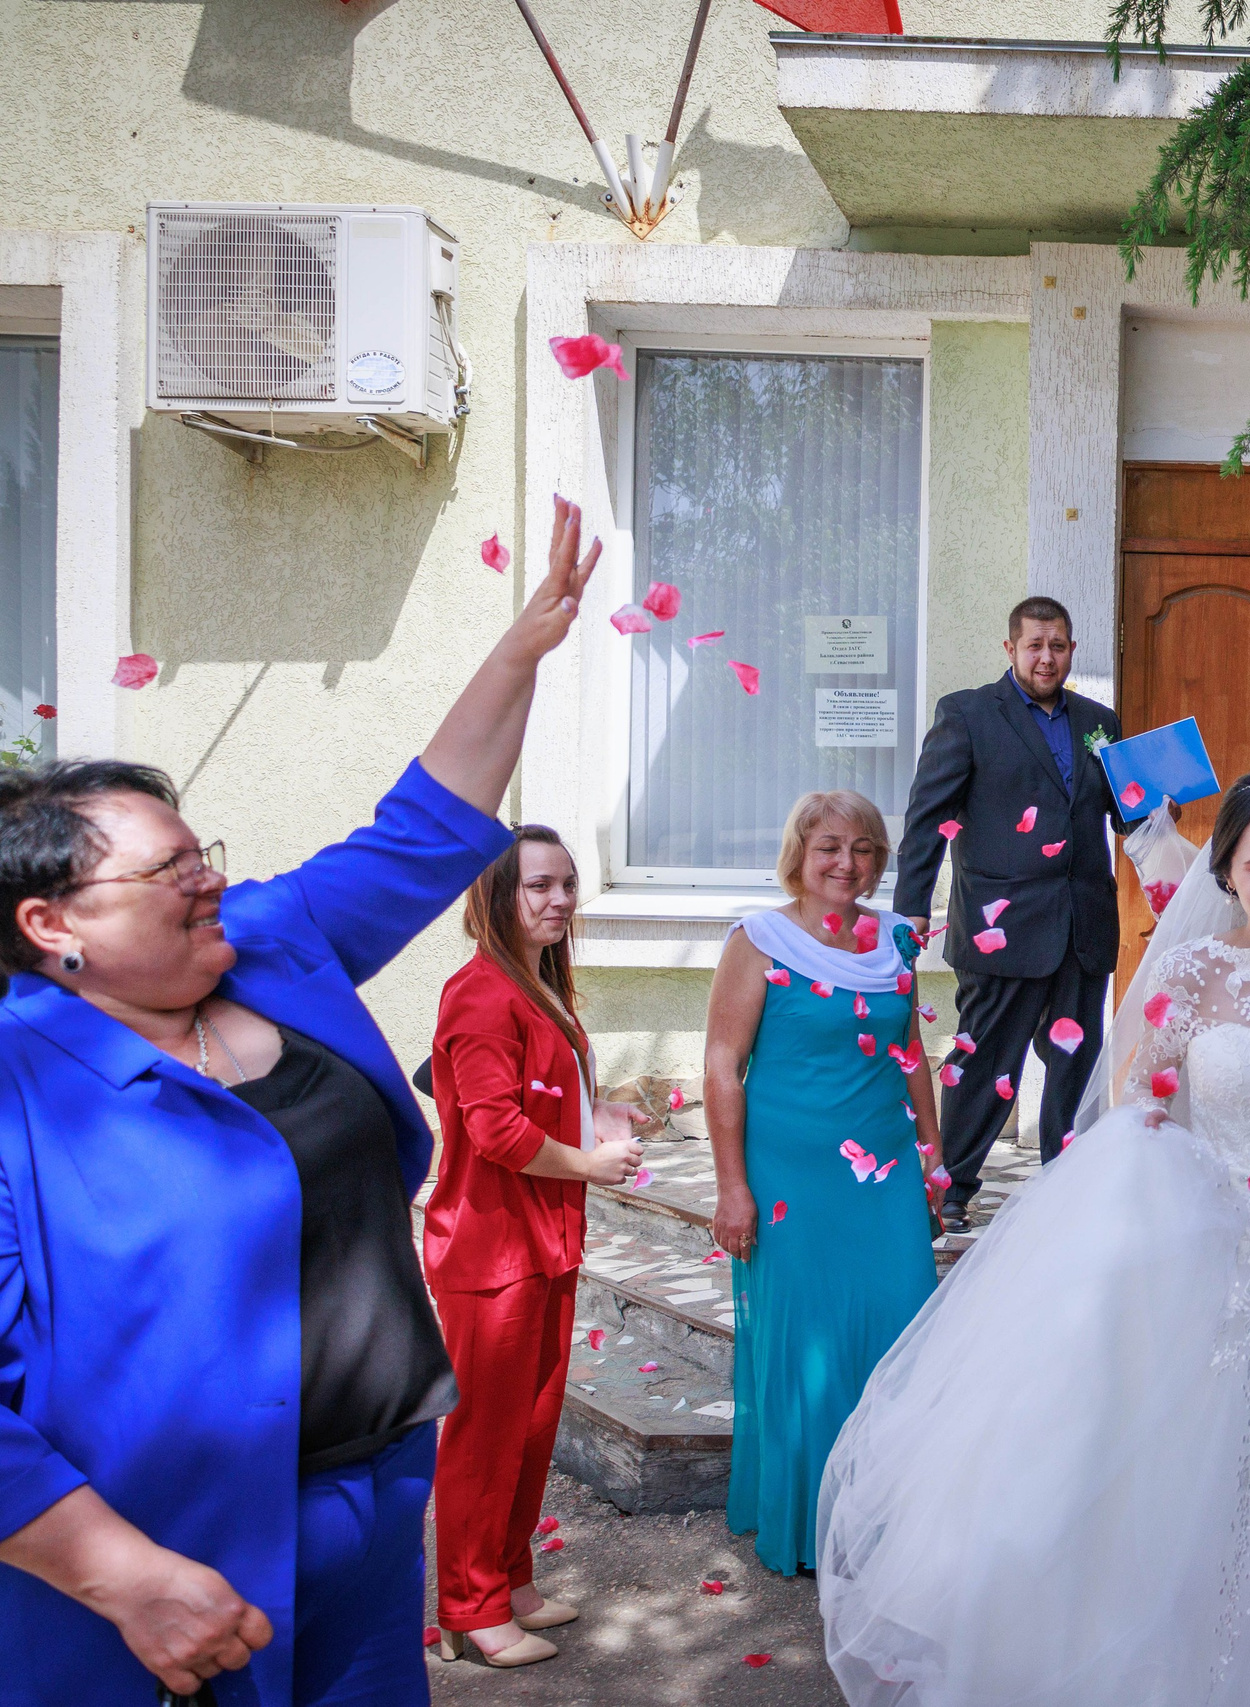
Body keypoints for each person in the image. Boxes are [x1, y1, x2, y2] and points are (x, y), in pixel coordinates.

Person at [0, 495, 598, 1705]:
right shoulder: (21, 1091)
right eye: (169, 869)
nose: (207, 878)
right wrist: (117, 1574)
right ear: (53, 924)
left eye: (199, 850)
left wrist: (522, 649)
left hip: (374, 1498)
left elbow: (424, 831)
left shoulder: (274, 942)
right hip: (163, 1557)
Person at [816, 767, 1250, 1705]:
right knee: (1194, 1468)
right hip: (1209, 1244)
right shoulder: (1190, 971)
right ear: (1227, 872)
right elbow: (1137, 1103)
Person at [421, 826, 644, 1668]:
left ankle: (510, 1579)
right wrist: (587, 1160)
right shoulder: (479, 992)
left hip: (546, 1240)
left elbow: (543, 1104)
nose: (557, 900)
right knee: (485, 1433)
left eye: (567, 884)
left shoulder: (543, 985)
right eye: (537, 886)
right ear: (495, 897)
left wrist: (609, 1114)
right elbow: (495, 1129)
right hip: (492, 1250)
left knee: (532, 1423)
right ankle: (470, 1608)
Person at [708, 789, 941, 1576]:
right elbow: (721, 1064)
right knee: (805, 1338)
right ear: (800, 857)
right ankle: (809, 1519)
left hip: (883, 1176)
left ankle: (882, 1515)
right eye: (831, 846)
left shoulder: (900, 942)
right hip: (790, 1179)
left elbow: (912, 1055)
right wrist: (731, 1184)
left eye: (865, 848)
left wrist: (933, 1155)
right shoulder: (759, 939)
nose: (848, 862)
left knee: (898, 1326)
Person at [894, 596, 1133, 1233]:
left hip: (1083, 928)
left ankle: (1068, 1187)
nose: (1046, 657)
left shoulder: (1099, 720)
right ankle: (950, 1192)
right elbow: (927, 822)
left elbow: (1128, 816)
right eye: (1034, 646)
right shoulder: (968, 714)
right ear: (1010, 649)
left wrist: (1163, 794)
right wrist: (909, 911)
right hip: (1000, 932)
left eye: (1057, 646)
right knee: (984, 1068)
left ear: (1072, 651)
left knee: (1074, 1072)